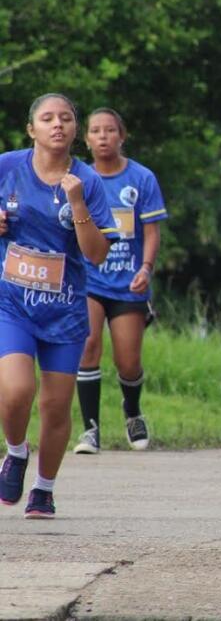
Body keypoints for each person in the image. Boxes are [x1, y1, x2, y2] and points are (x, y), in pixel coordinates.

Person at [0, 93, 117, 518]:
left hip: (65, 310)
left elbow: (98, 254)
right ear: (31, 129)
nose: (57, 125)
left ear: (74, 130)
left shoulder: (87, 180)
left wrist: (79, 205)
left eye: (66, 118)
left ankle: (44, 489)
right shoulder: (7, 167)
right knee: (16, 391)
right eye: (47, 119)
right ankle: (15, 452)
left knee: (54, 405)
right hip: (11, 302)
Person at [73, 108, 168, 454]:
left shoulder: (141, 178)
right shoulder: (78, 178)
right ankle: (90, 429)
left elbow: (152, 231)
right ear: (86, 139)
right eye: (95, 131)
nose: (102, 136)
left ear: (122, 136)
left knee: (128, 361)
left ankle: (132, 411)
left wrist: (146, 267)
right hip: (88, 278)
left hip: (128, 281)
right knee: (88, 345)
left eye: (109, 130)